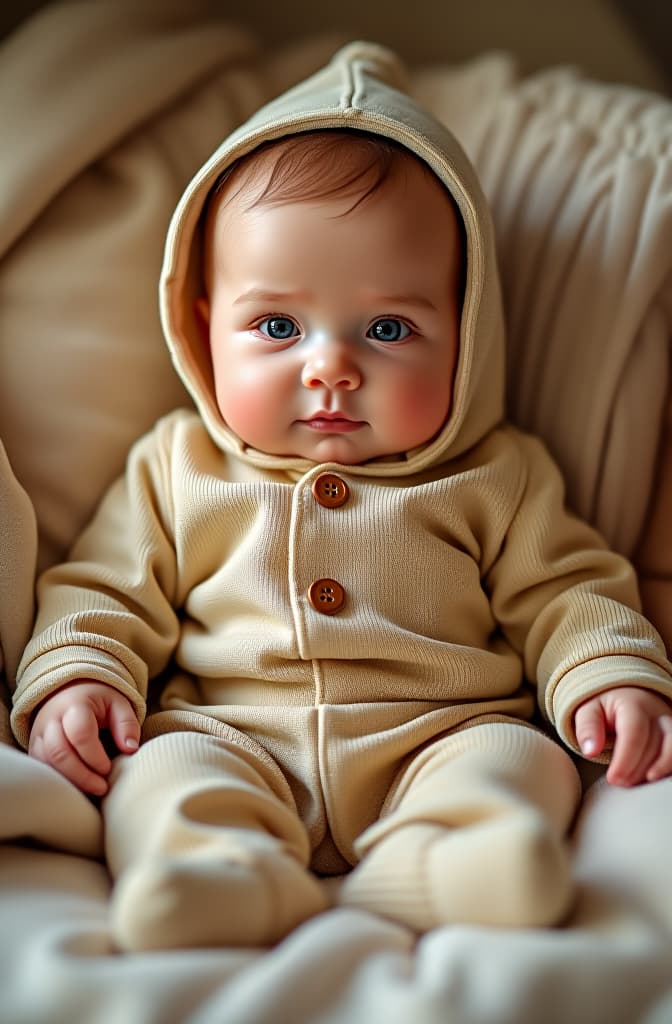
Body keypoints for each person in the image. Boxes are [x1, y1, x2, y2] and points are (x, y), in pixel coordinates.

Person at [12, 42, 672, 951]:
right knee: (164, 778)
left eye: (389, 327)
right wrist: (80, 675)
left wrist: (608, 674)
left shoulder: (501, 474)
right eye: (277, 325)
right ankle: (211, 875)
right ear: (207, 333)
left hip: (442, 734)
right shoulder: (178, 466)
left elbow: (569, 595)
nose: (331, 367)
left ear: (468, 339)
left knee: (519, 764)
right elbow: (104, 588)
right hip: (234, 735)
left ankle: (452, 866)